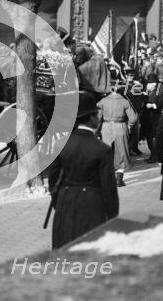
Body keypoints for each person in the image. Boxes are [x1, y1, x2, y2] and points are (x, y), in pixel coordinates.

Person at [49, 92, 119, 249]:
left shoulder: (60, 144)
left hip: (65, 204)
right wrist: (113, 215)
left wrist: (58, 203)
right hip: (93, 206)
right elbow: (109, 188)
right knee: (90, 254)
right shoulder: (102, 149)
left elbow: (53, 180)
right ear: (92, 117)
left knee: (65, 253)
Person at [97, 84, 138, 187]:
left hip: (106, 127)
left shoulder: (103, 101)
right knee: (121, 152)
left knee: (106, 152)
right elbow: (133, 118)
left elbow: (97, 117)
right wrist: (129, 126)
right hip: (120, 126)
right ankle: (119, 180)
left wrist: (97, 130)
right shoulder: (124, 101)